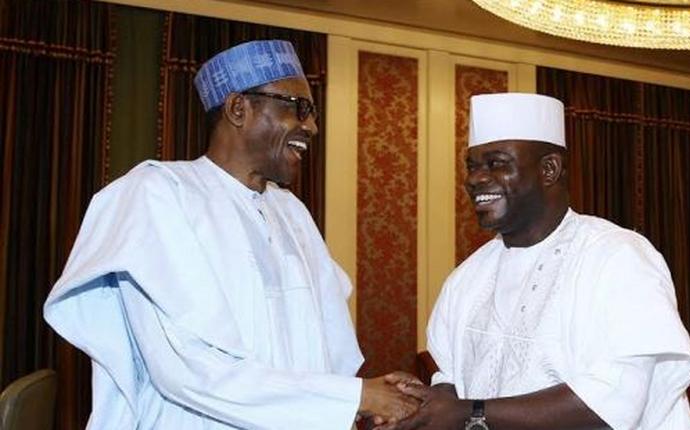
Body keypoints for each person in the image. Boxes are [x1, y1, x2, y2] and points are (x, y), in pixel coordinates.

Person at [44, 40, 417, 429]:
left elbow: (324, 350)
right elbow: (186, 369)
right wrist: (355, 397)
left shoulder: (292, 212)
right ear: (239, 108)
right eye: (297, 107)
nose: (311, 126)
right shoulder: (156, 194)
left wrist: (364, 400)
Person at [383, 93, 690, 430]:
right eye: (472, 166)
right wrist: (420, 404)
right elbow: (450, 380)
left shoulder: (618, 257)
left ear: (549, 169)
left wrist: (468, 412)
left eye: (496, 162)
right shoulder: (466, 278)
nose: (475, 179)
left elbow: (611, 405)